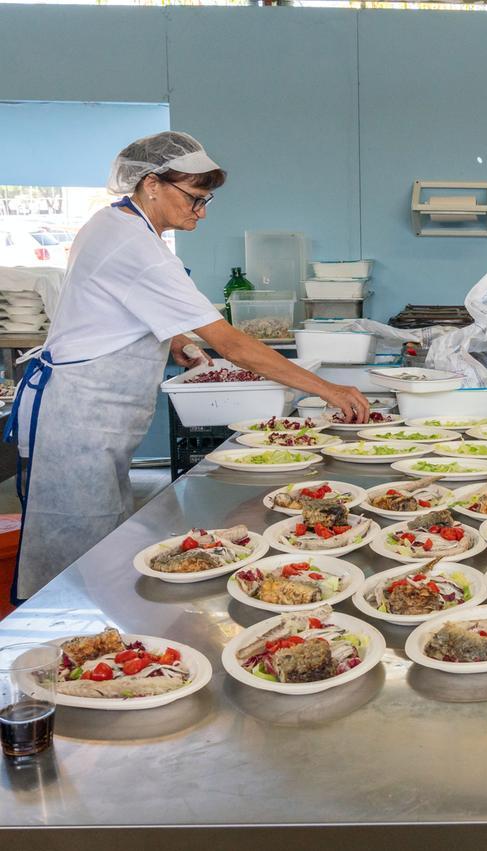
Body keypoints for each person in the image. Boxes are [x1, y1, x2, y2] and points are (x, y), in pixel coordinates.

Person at [5, 131, 369, 601]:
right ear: (151, 183)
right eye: (194, 198)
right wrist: (327, 389)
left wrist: (173, 334)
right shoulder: (133, 243)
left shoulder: (118, 226)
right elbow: (233, 344)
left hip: (98, 420)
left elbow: (111, 305)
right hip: (79, 419)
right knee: (75, 550)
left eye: (206, 200)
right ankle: (52, 635)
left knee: (105, 534)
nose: (199, 211)